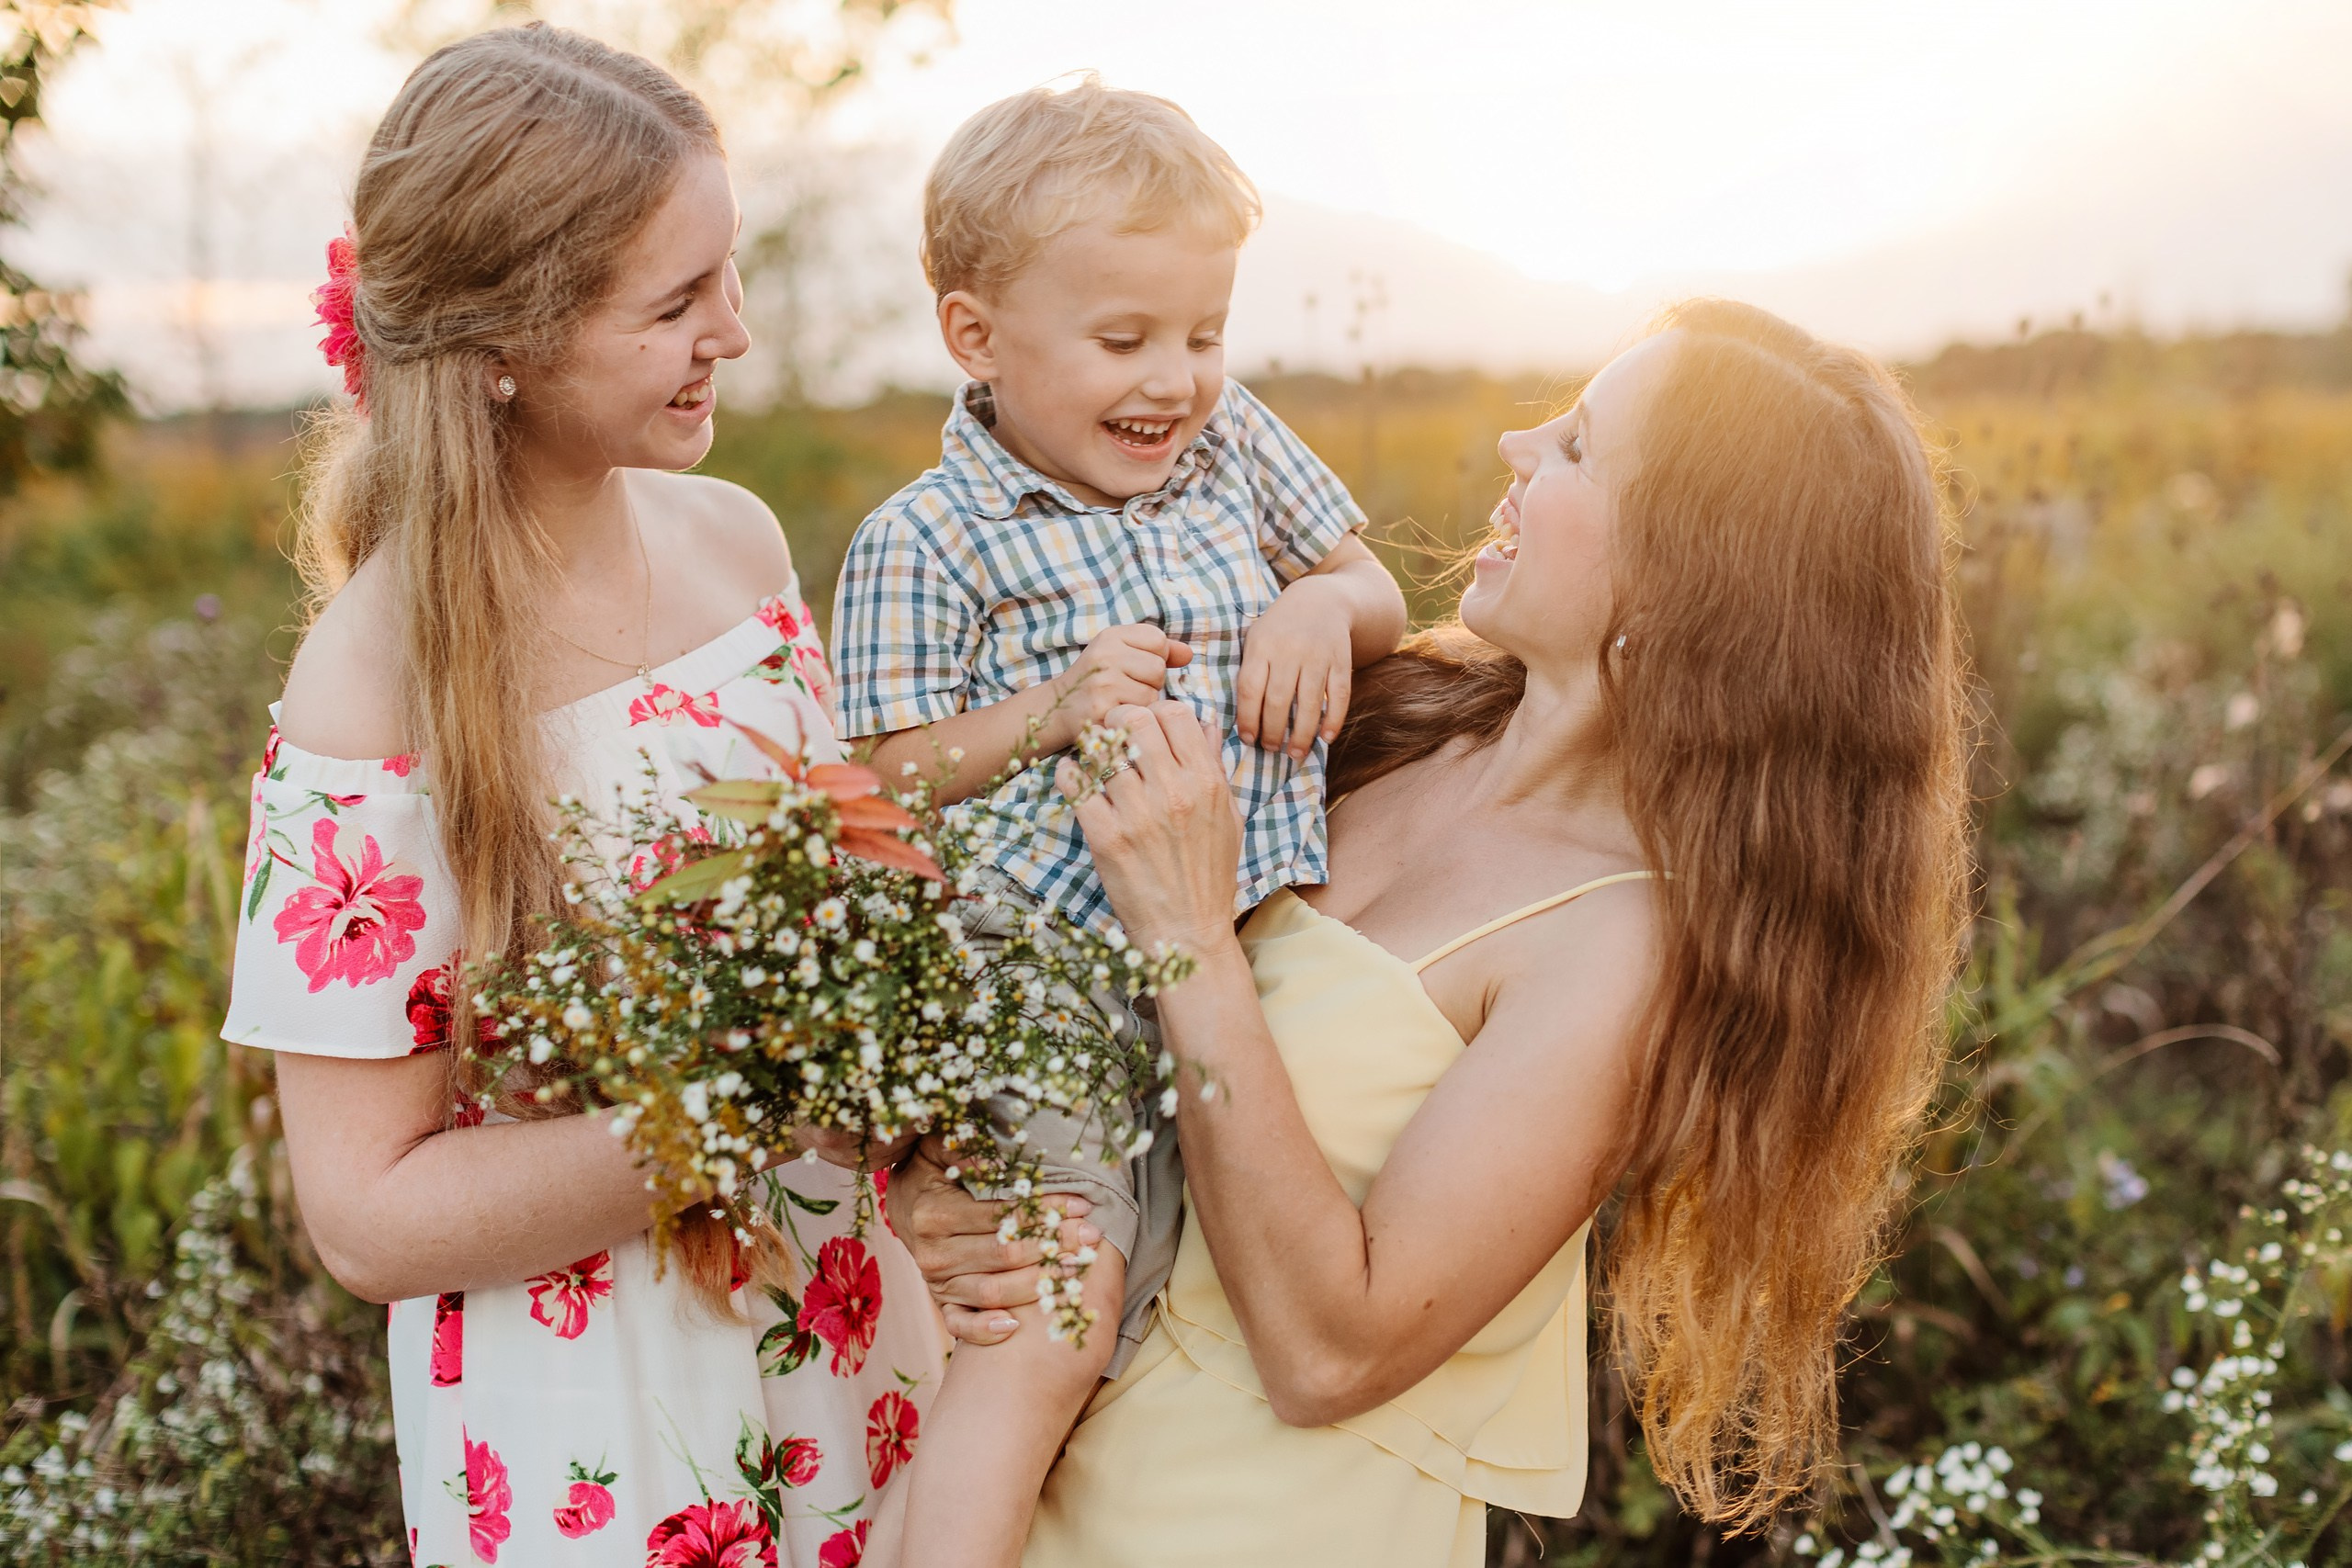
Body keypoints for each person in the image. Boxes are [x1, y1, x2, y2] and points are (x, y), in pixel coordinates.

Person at [891, 300, 1973, 1565]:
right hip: (1021, 1487)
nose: (1517, 445)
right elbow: (1057, 991)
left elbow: (1330, 1351)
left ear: (1689, 571)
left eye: (1576, 450)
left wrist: (1187, 933)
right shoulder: (1389, 717)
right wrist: (938, 1183)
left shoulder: (1617, 949)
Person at [220, 28, 940, 1564]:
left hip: (850, 1341)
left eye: (725, 277)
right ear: (507, 342)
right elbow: (366, 1218)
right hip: (602, 1434)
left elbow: (845, 912)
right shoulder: (373, 689)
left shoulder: (737, 547)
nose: (733, 335)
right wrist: (724, 1118)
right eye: (677, 303)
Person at [828, 77, 1408, 1568]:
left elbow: (1377, 589)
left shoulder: (1234, 449)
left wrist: (1316, 606)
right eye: (1125, 339)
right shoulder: (927, 538)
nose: (1177, 379)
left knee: (1151, 1334)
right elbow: (875, 783)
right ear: (977, 337)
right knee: (1053, 1321)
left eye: (1204, 333)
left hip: (1217, 946)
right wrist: (1052, 711)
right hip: (1037, 971)